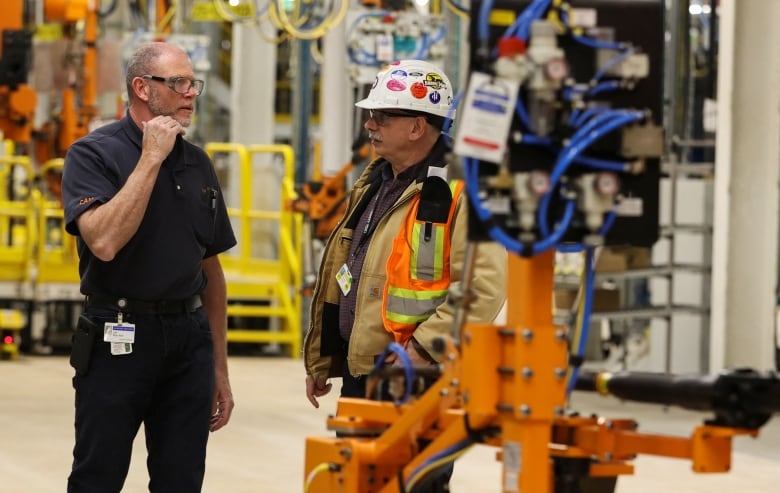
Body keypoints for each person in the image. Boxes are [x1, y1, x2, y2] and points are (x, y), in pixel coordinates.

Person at [303, 60, 507, 490]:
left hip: (418, 376)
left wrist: (423, 350)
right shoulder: (375, 182)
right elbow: (349, 270)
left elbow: (483, 289)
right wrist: (325, 358)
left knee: (414, 484)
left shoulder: (462, 190)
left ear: (418, 127)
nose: (370, 124)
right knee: (358, 481)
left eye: (383, 116)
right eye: (371, 114)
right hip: (365, 373)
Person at [61, 42, 236, 493]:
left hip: (188, 338)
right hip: (117, 334)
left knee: (181, 479)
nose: (190, 93)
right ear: (142, 88)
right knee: (98, 476)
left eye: (192, 83)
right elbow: (103, 241)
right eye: (177, 83)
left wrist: (218, 367)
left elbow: (210, 268)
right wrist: (151, 158)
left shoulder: (197, 162)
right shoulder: (93, 155)